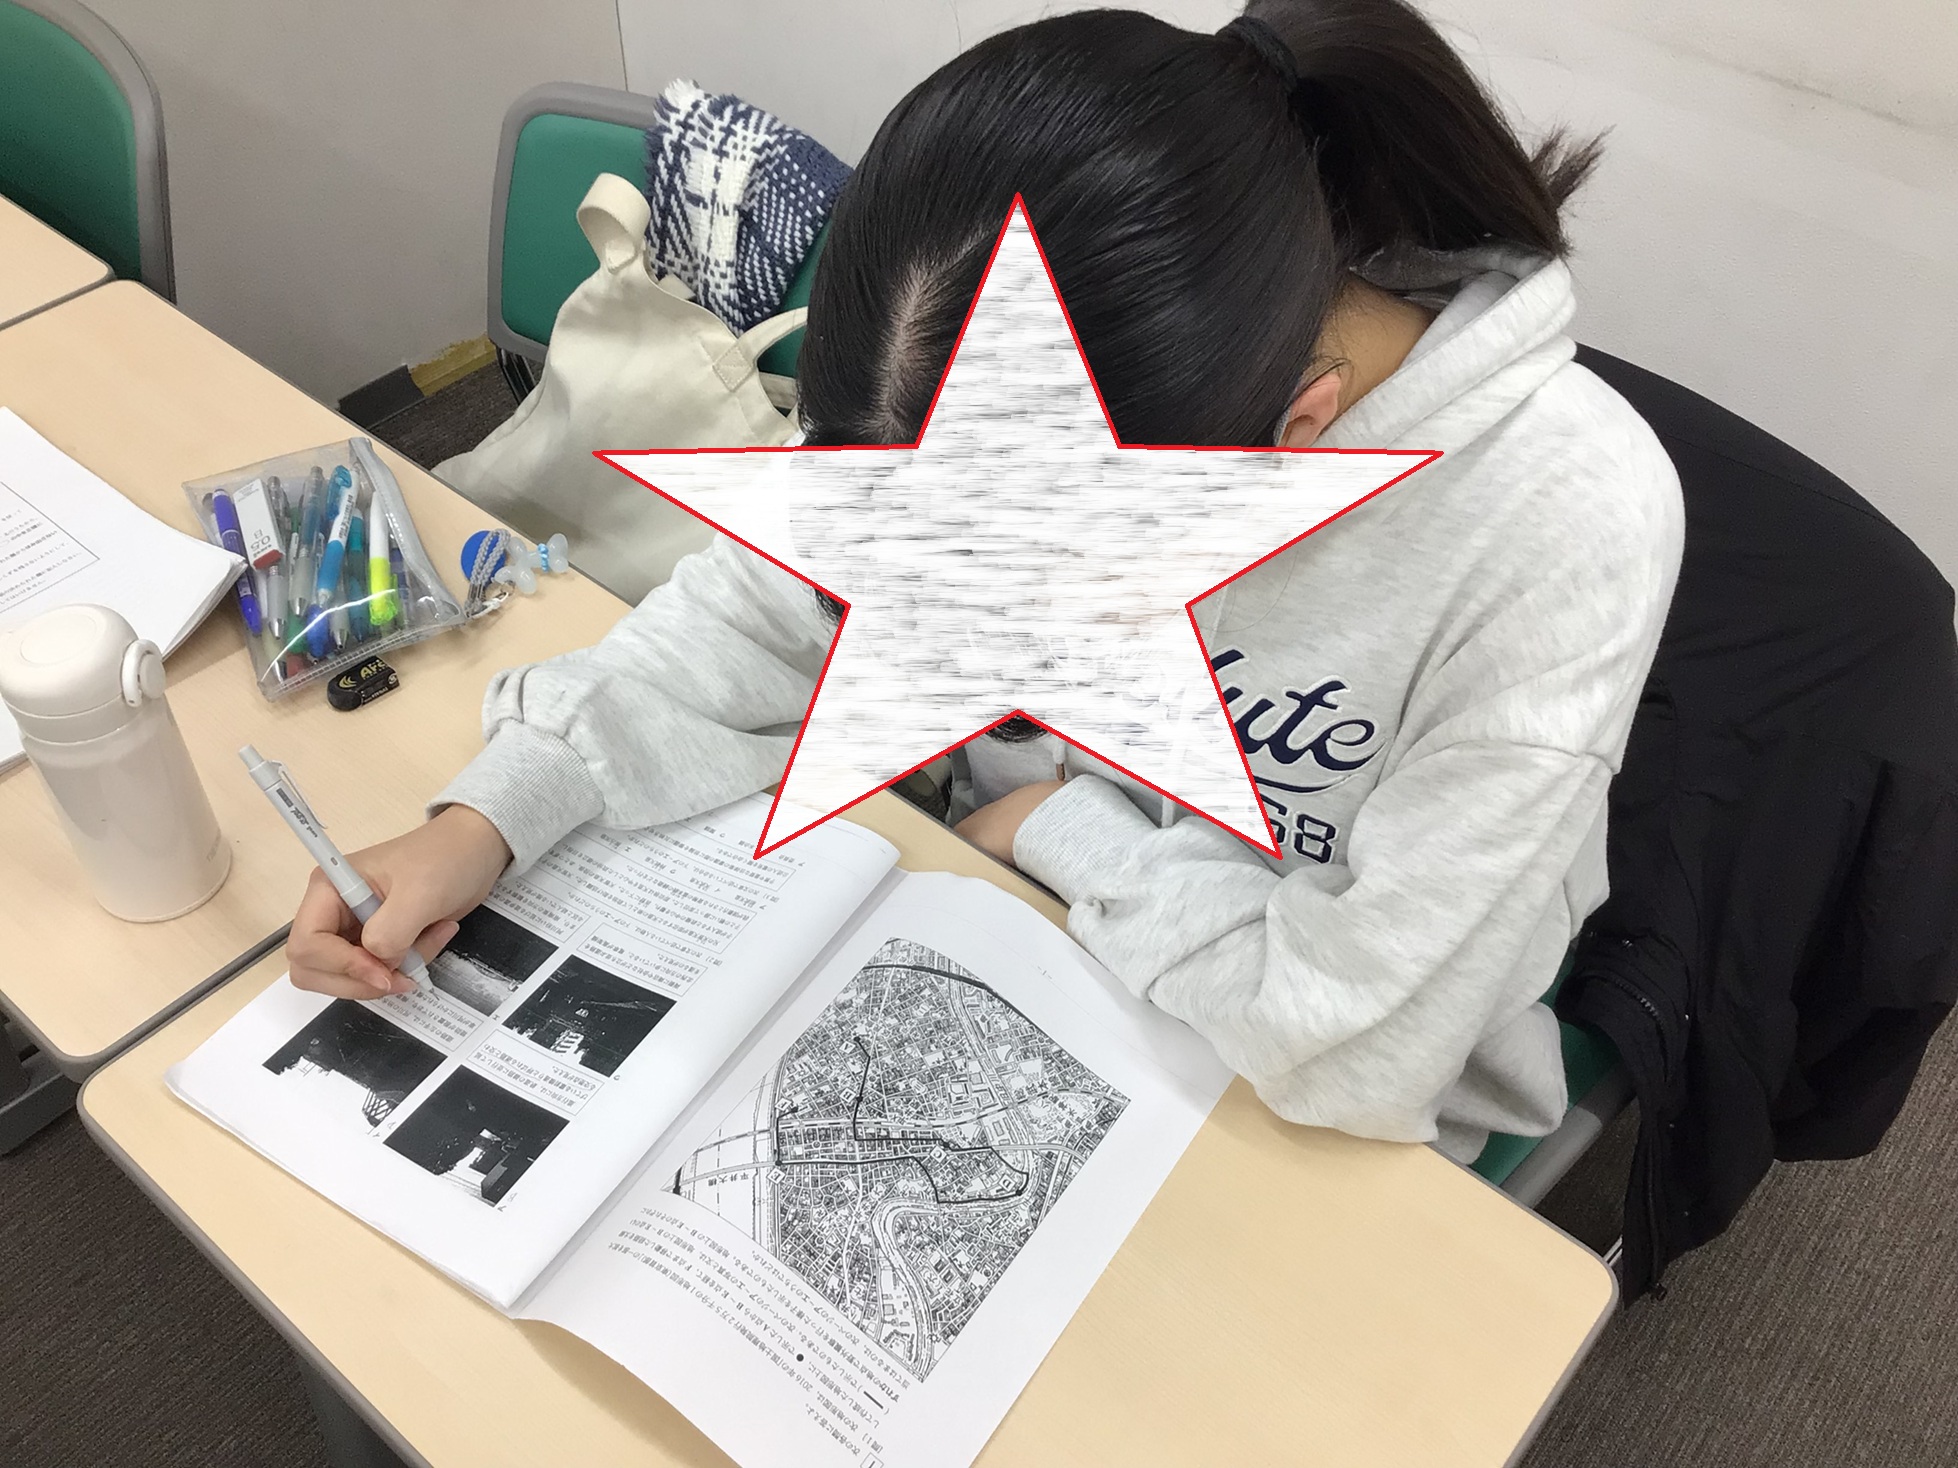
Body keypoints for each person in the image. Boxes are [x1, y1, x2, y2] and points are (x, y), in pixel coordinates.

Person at [287, 0, 1683, 1165]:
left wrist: (1059, 831)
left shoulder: (1564, 526)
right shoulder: (962, 370)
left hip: (1288, 1112)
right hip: (986, 922)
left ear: (1295, 432)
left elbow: (1355, 1043)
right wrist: (495, 811)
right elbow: (762, 614)